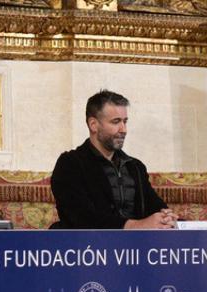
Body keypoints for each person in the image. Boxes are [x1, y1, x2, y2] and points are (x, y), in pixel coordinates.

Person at [51, 90, 177, 229]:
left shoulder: (135, 166)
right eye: (116, 122)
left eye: (125, 121)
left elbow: (155, 206)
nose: (123, 129)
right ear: (93, 124)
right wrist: (134, 226)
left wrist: (167, 218)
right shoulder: (70, 164)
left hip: (135, 248)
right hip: (87, 247)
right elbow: (81, 217)